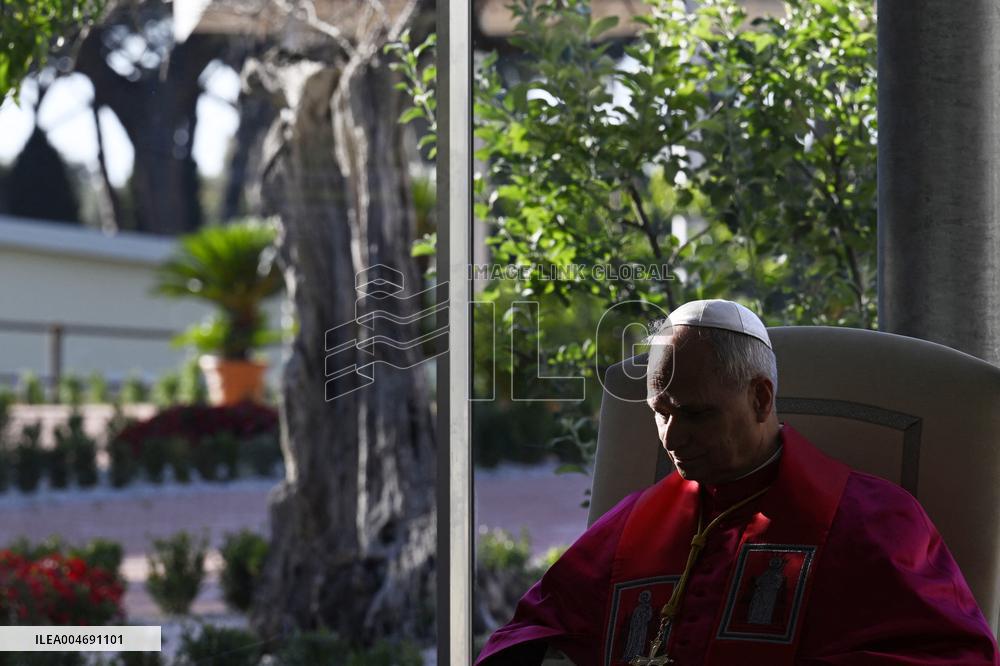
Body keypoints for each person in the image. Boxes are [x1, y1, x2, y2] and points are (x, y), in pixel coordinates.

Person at [476, 299, 1000, 665]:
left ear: (761, 400)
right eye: (660, 412)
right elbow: (529, 628)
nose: (672, 436)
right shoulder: (632, 526)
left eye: (696, 414)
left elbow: (950, 656)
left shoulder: (872, 519)